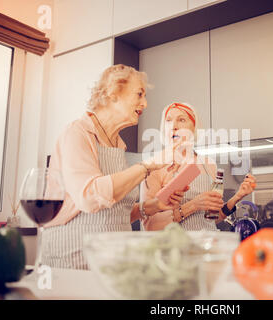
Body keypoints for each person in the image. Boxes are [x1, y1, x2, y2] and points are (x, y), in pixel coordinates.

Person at [42, 65, 186, 269]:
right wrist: (149, 165)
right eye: (139, 94)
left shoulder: (118, 144)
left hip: (111, 259)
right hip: (75, 256)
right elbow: (90, 198)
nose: (145, 103)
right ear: (113, 93)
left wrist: (149, 207)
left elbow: (112, 213)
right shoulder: (77, 133)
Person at [142, 102, 257, 231]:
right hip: (175, 247)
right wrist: (192, 206)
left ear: (194, 127)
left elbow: (213, 217)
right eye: (168, 120)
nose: (173, 126)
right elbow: (150, 226)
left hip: (206, 244)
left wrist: (237, 196)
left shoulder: (209, 164)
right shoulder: (154, 166)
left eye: (181, 120)